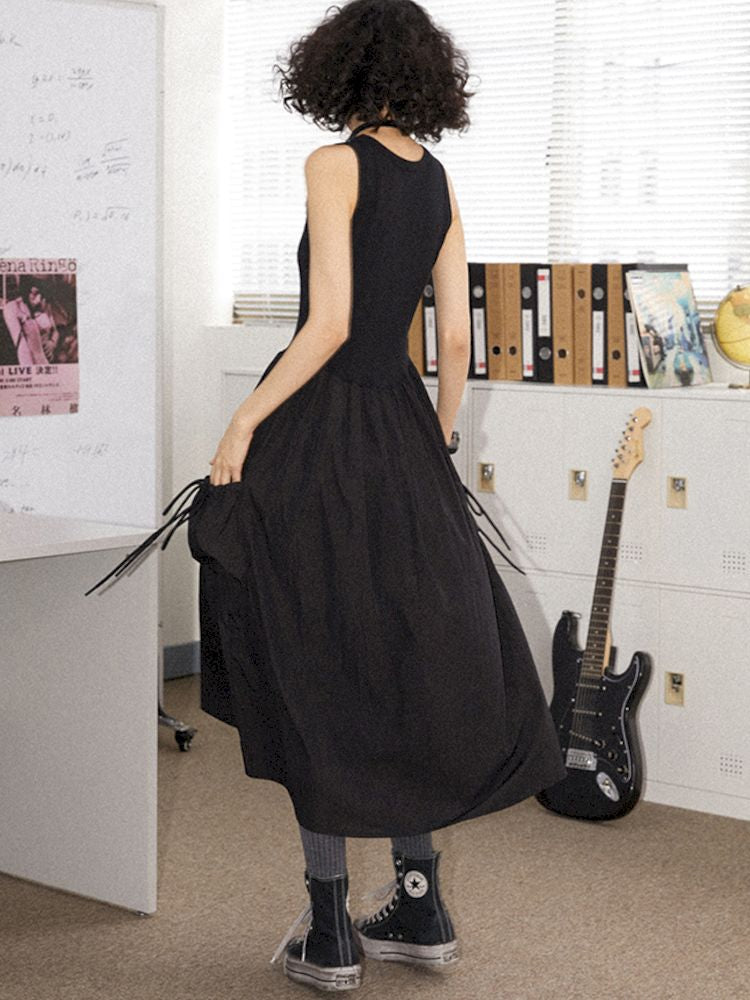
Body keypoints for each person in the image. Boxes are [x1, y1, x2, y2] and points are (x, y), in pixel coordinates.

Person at [199, 0, 568, 991]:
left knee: (317, 667)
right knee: (404, 661)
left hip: (318, 432)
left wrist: (242, 421)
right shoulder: (437, 179)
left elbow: (327, 324)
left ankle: (330, 929)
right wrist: (437, 433)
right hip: (403, 431)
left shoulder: (334, 164)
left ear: (338, 70)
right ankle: (419, 902)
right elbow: (455, 338)